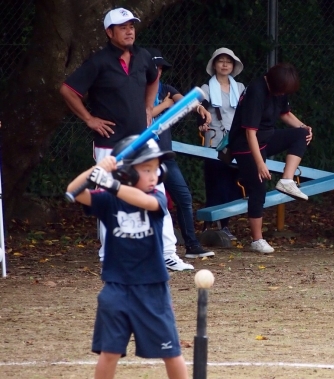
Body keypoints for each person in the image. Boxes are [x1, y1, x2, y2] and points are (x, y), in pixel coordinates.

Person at [65, 135, 192, 379]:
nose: (154, 175)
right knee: (109, 351)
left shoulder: (156, 198)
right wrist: (99, 168)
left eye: (156, 168)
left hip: (152, 288)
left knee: (171, 350)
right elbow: (73, 191)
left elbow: (145, 202)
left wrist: (112, 184)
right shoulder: (108, 201)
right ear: (127, 172)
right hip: (116, 287)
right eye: (146, 169)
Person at [59, 8, 193, 271]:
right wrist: (89, 119)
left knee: (158, 191)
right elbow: (68, 90)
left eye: (131, 26)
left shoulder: (143, 57)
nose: (129, 31)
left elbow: (153, 79)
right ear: (109, 32)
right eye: (123, 27)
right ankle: (109, 255)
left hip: (143, 140)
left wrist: (148, 108)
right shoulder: (98, 61)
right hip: (110, 143)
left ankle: (167, 252)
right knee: (109, 194)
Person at [227, 63, 313, 254]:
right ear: (272, 83)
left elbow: (285, 114)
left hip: (265, 138)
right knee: (258, 188)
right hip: (245, 145)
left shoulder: (280, 89)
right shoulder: (256, 91)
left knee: (301, 134)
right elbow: (250, 132)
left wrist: (304, 127)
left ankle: (287, 180)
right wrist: (260, 164)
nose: (282, 95)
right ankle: (257, 240)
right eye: (281, 91)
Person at [147, 47, 214, 258]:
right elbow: (146, 114)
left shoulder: (166, 88)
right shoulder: (137, 90)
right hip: (145, 158)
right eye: (154, 67)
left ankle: (192, 246)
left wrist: (199, 108)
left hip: (165, 157)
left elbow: (184, 101)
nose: (158, 72)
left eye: (160, 68)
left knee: (184, 197)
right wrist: (166, 105)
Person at [198, 48, 246, 242]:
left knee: (232, 183)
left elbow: (247, 112)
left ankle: (224, 225)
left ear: (233, 65)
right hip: (215, 142)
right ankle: (208, 225)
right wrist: (202, 122)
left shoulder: (240, 88)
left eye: (229, 61)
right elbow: (199, 108)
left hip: (236, 142)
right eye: (221, 61)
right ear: (214, 65)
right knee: (215, 183)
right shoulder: (207, 88)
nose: (225, 64)